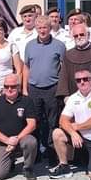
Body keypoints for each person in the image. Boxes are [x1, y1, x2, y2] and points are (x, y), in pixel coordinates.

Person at [52, 70, 91, 180]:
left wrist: (76, 127)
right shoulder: (73, 97)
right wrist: (72, 132)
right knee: (57, 133)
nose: (82, 82)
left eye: (85, 79)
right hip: (80, 138)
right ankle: (64, 166)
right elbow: (62, 120)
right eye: (78, 80)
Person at [21, 14, 65, 163]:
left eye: (45, 27)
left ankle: (52, 152)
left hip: (52, 88)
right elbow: (26, 67)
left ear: (50, 28)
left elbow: (63, 68)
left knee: (53, 122)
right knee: (35, 121)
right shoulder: (29, 45)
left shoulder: (59, 45)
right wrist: (24, 88)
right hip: (34, 88)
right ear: (36, 28)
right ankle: (36, 153)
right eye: (39, 28)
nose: (42, 30)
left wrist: (61, 88)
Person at [0, 74, 40, 180]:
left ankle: (28, 168)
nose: (9, 89)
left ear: (18, 87)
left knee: (31, 141)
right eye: (6, 86)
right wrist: (7, 140)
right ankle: (10, 162)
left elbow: (32, 124)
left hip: (22, 138)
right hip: (4, 141)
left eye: (13, 86)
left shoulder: (27, 101)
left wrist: (16, 139)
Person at [57, 21, 91, 98]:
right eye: (76, 36)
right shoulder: (68, 55)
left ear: (88, 35)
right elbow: (64, 77)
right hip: (73, 97)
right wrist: (65, 96)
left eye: (81, 34)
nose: (79, 37)